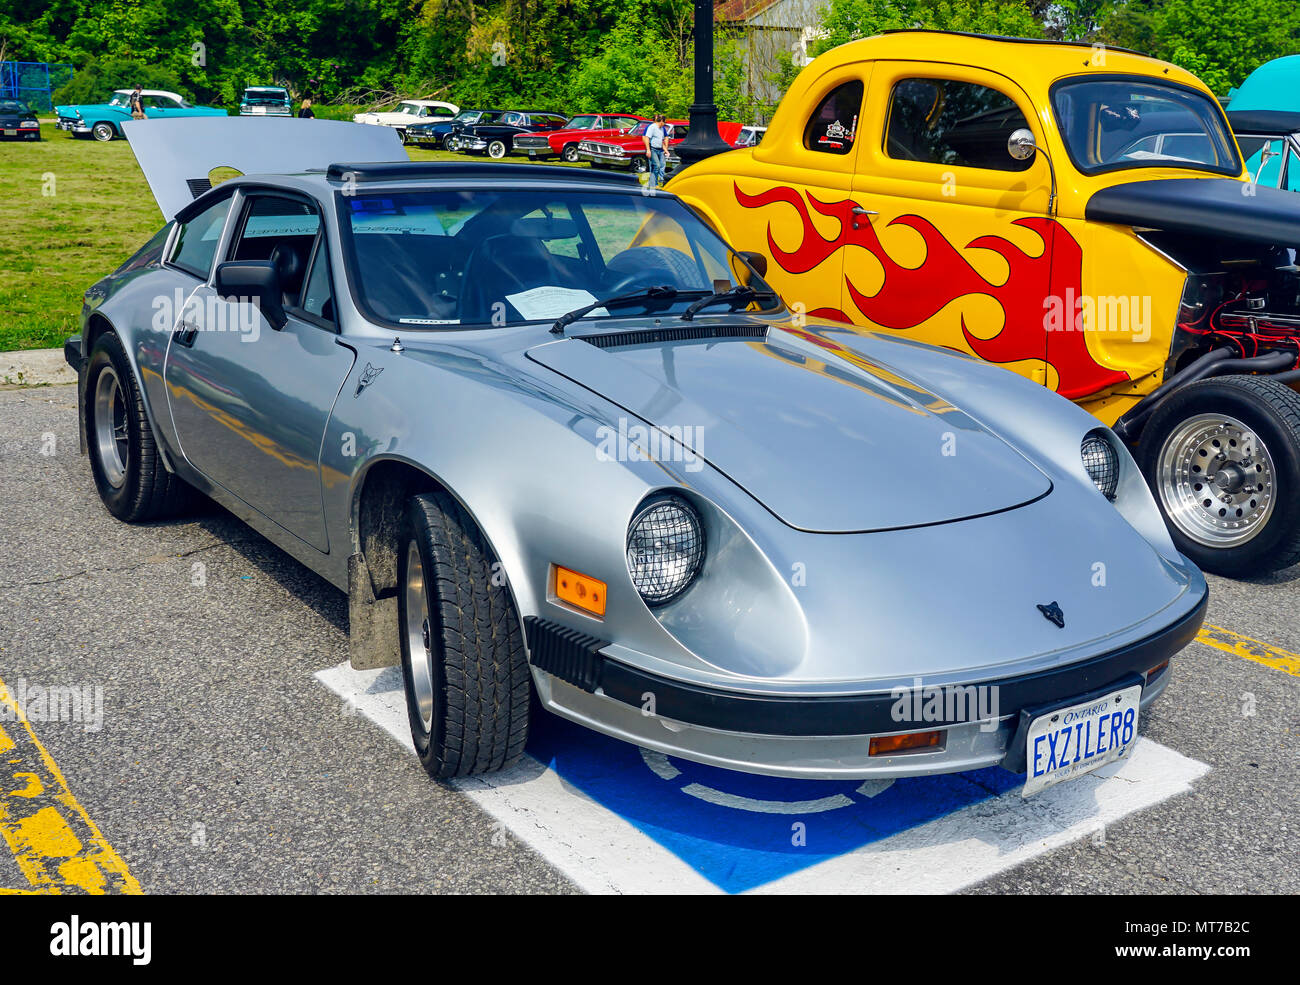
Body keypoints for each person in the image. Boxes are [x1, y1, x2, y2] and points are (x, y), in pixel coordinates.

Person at [644, 113, 668, 189]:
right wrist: (648, 150)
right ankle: (655, 184)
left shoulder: (661, 129)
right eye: (664, 122)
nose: (665, 124)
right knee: (657, 166)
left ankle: (652, 183)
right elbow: (647, 138)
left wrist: (666, 150)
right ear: (661, 121)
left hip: (660, 150)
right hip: (653, 149)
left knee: (656, 166)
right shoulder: (652, 127)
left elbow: (661, 141)